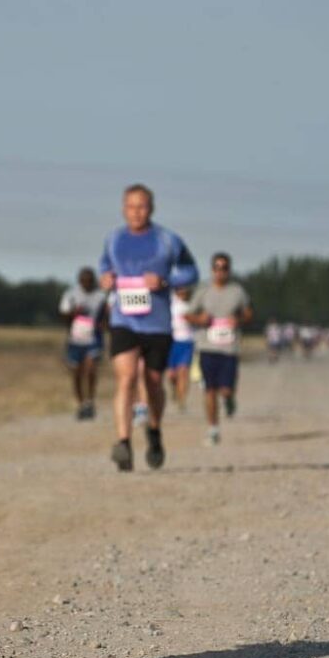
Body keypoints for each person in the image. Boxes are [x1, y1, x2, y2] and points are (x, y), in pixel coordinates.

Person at [99, 184, 198, 471]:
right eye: (130, 206)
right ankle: (124, 443)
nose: (136, 212)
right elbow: (105, 267)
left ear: (151, 209)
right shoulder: (114, 239)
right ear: (122, 208)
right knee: (126, 378)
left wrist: (166, 282)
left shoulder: (168, 240)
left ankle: (154, 432)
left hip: (157, 324)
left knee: (153, 383)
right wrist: (105, 278)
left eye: (141, 206)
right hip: (124, 321)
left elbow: (191, 271)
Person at [187, 253, 252, 445]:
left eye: (224, 268)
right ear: (212, 269)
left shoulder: (237, 291)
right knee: (209, 390)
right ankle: (213, 429)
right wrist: (200, 319)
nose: (220, 271)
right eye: (217, 267)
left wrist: (238, 320)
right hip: (207, 346)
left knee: (225, 389)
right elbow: (188, 314)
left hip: (229, 348)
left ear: (229, 270)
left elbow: (249, 313)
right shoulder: (203, 290)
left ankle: (229, 399)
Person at [58, 267, 107, 419]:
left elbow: (107, 315)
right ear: (79, 281)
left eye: (90, 281)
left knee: (91, 369)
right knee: (77, 372)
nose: (87, 284)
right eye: (84, 281)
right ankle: (81, 404)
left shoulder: (101, 296)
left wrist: (103, 324)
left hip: (94, 339)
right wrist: (74, 313)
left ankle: (90, 401)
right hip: (75, 339)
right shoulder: (71, 295)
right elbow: (63, 315)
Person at [167, 287, 196, 411]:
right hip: (171, 341)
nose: (183, 291)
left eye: (186, 289)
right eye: (181, 288)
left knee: (183, 372)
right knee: (172, 375)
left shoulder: (193, 303)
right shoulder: (170, 300)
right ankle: (175, 389)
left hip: (187, 342)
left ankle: (182, 400)